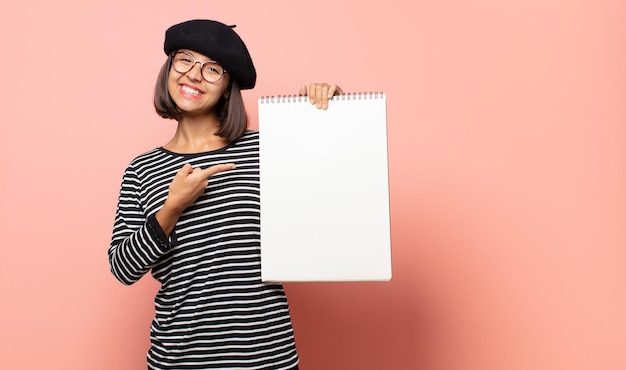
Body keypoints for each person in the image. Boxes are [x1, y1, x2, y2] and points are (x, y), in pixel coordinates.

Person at [108, 19, 342, 369]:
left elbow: (334, 197)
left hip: (265, 356)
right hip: (178, 358)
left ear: (228, 85)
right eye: (185, 60)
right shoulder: (142, 170)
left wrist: (329, 116)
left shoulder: (266, 150)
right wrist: (171, 208)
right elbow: (122, 268)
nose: (194, 75)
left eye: (213, 68)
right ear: (169, 68)